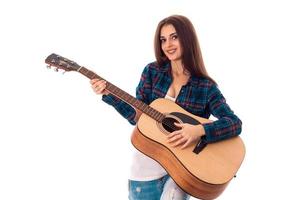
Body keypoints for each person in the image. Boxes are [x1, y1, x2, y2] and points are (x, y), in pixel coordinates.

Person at [90, 15, 242, 200]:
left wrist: (198, 131)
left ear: (187, 38)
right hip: (143, 173)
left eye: (174, 37)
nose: (168, 44)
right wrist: (109, 94)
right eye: (163, 40)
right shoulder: (152, 72)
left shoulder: (205, 87)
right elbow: (137, 117)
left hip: (179, 176)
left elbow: (234, 123)